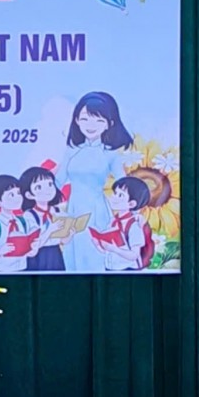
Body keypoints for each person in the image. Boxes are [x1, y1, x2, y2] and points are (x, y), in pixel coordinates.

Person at [60, 91, 137, 273]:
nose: (90, 125)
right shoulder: (71, 150)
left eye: (98, 120)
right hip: (73, 210)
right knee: (72, 257)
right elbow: (58, 181)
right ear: (76, 120)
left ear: (109, 124)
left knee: (95, 255)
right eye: (85, 119)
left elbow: (125, 185)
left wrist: (134, 212)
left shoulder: (110, 154)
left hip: (97, 211)